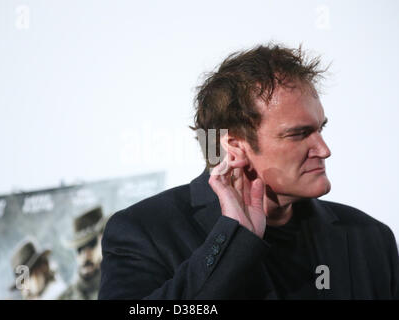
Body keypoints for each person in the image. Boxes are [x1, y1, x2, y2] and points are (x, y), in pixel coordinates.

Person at [98, 43, 399, 299]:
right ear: (235, 146)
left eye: (320, 129)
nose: (324, 149)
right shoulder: (144, 232)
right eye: (298, 134)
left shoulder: (370, 238)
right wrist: (233, 240)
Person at [59, 207, 107, 300]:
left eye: (91, 244)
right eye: (79, 249)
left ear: (104, 242)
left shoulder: (123, 288)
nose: (85, 255)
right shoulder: (65, 297)